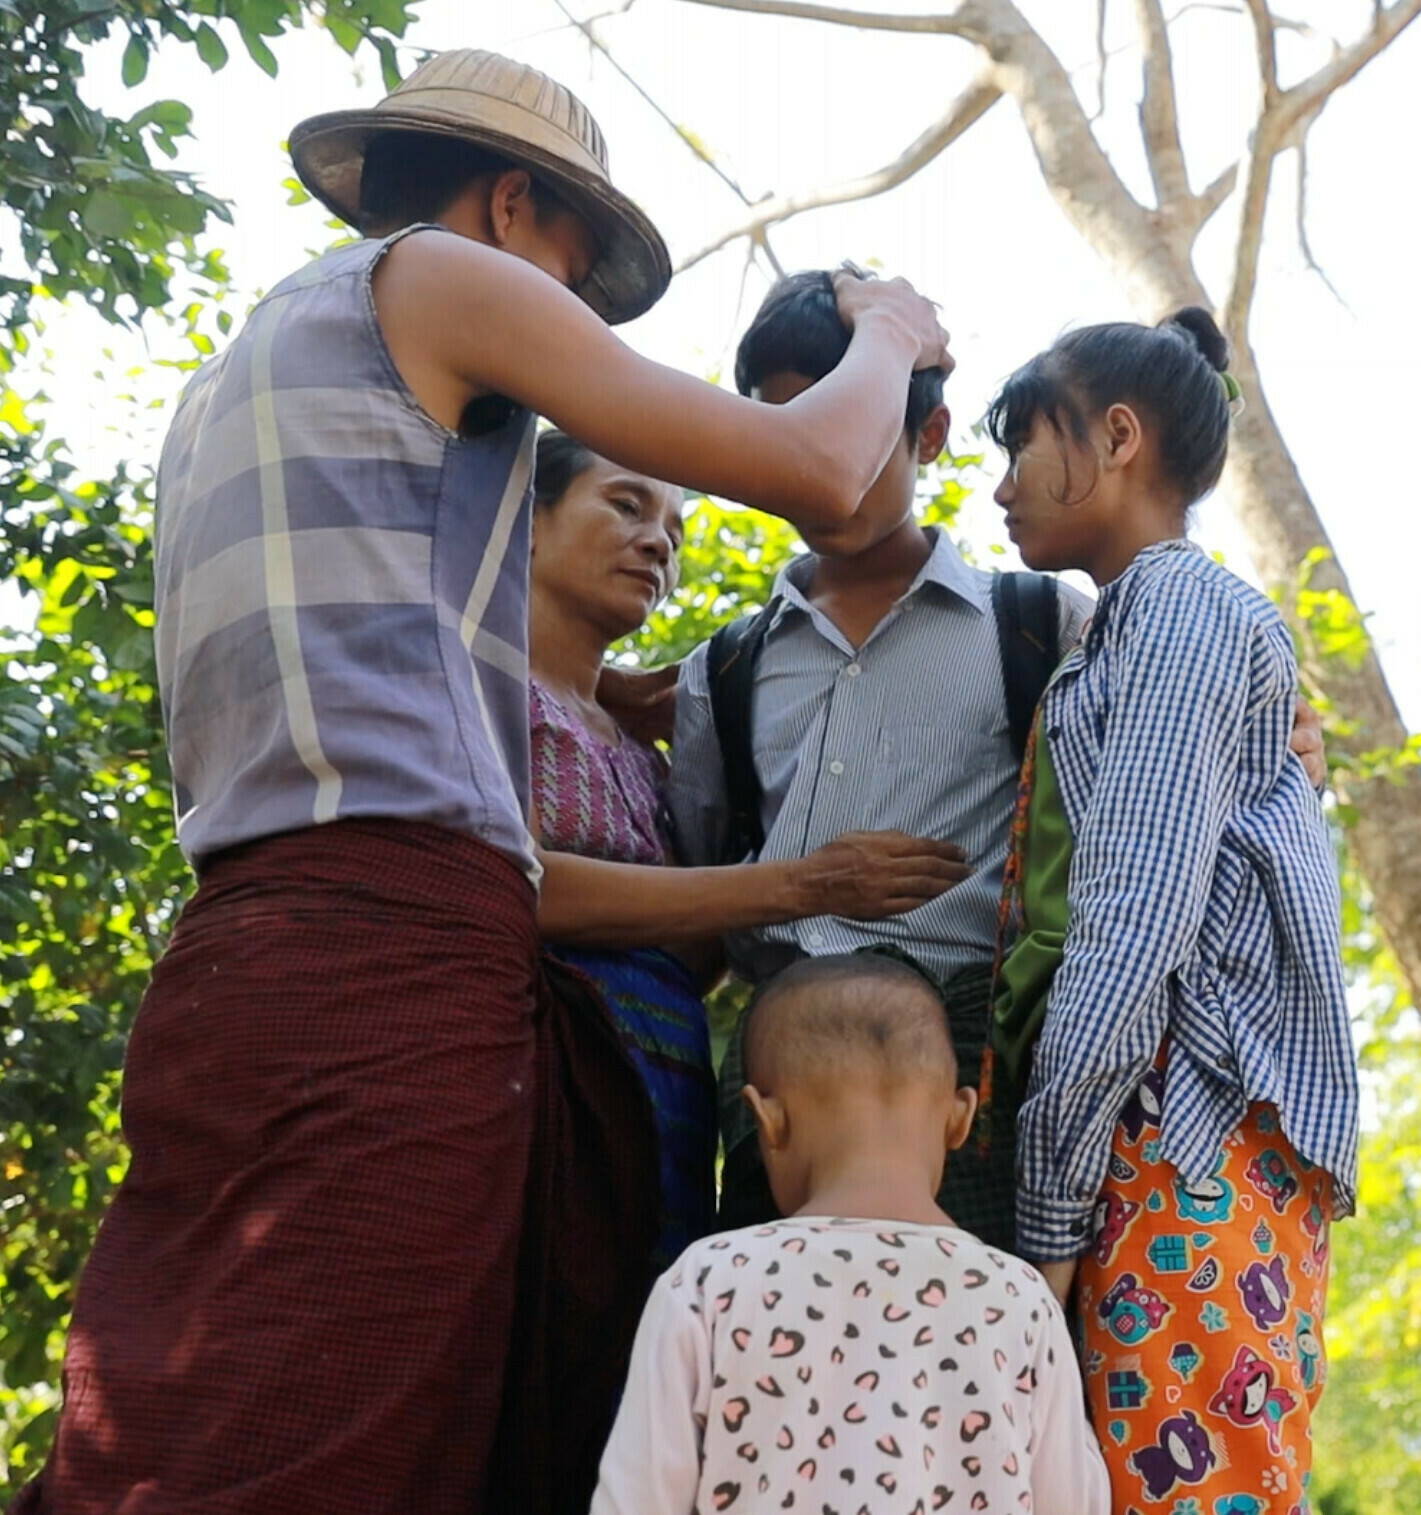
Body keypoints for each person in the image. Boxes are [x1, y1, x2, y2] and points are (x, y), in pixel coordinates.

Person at [10, 52, 954, 1515]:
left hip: (246, 940)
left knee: (202, 1402)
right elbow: (823, 472)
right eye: (571, 276)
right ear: (511, 205)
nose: (565, 319)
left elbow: (362, 616)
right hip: (401, 939)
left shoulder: (240, 370)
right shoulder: (442, 275)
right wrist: (887, 333)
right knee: (341, 1430)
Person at [666, 269, 1327, 1254]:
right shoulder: (721, 670)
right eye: (782, 426)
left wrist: (1292, 746)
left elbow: (1174, 784)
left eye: (839, 421)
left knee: (973, 1378)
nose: (810, 457)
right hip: (778, 1083)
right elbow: (695, 934)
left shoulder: (1048, 629)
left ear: (926, 438)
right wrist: (793, 888)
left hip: (971, 1084)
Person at [986, 307, 1358, 1513]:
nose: (998, 489)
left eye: (1019, 447)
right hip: (1161, 1139)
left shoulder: (1178, 613)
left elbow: (1132, 917)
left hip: (1178, 1132)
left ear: (1116, 436)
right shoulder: (1121, 633)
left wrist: (1043, 1209)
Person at [528, 428, 970, 1271]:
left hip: (664, 1109)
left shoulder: (638, 752)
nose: (657, 540)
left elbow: (689, 954)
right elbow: (507, 882)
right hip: (537, 1096)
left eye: (676, 530)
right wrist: (807, 883)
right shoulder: (479, 698)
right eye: (625, 504)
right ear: (524, 523)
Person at [589, 953, 1111, 1515]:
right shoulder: (1021, 1300)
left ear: (768, 1121)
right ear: (959, 1117)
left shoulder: (706, 1283)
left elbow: (633, 1500)